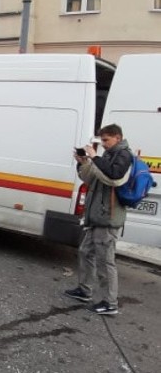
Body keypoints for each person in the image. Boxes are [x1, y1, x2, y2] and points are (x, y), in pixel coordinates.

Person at [64, 123, 133, 315]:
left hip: (108, 217)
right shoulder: (109, 156)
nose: (102, 144)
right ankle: (85, 290)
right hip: (96, 215)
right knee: (85, 251)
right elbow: (90, 179)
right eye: (101, 140)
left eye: (106, 140)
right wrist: (83, 162)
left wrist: (95, 157)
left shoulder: (124, 155)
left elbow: (114, 176)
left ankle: (110, 303)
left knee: (105, 261)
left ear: (117, 138)